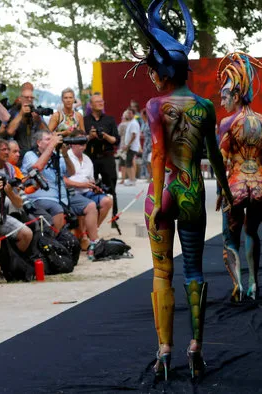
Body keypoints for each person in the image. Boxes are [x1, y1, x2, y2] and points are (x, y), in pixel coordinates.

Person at [123, 0, 233, 380]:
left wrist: (154, 202)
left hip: (163, 191)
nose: (152, 79)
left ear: (162, 73)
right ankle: (196, 348)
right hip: (190, 192)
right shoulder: (204, 106)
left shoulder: (156, 105)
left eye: (153, 72)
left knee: (161, 272)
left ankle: (164, 350)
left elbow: (156, 152)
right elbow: (214, 155)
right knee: (194, 270)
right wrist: (225, 188)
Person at [217, 52, 262, 302]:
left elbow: (221, 162)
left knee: (230, 237)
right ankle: (255, 283)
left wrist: (220, 191)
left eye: (224, 96)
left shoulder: (227, 122)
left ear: (236, 95)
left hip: (234, 188)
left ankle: (239, 286)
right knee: (253, 233)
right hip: (258, 188)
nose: (222, 101)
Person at [83, 93, 120, 226]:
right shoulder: (85, 120)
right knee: (90, 186)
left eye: (102, 101)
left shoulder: (109, 120)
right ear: (91, 105)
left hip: (107, 157)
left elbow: (116, 140)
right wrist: (90, 136)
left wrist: (105, 135)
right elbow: (81, 140)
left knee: (111, 187)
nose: (100, 103)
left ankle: (114, 218)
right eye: (97, 102)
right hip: (91, 158)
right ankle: (94, 214)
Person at [64, 130, 113, 227]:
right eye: (79, 141)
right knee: (89, 205)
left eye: (84, 141)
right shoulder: (65, 156)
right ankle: (90, 234)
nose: (82, 144)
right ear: (72, 143)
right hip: (72, 193)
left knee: (107, 200)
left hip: (87, 192)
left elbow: (91, 180)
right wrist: (83, 185)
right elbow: (63, 180)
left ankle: (94, 229)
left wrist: (94, 187)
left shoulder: (87, 159)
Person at [5, 86, 48, 156]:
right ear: (20, 99)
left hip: (35, 153)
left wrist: (38, 120)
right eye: (26, 97)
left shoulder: (35, 112)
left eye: (31, 98)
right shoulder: (14, 112)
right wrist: (21, 114)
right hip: (18, 153)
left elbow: (47, 133)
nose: (29, 99)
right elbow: (10, 132)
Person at [120, 108, 140, 186]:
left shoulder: (134, 123)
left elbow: (134, 135)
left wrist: (127, 145)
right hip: (131, 146)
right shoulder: (131, 123)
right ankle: (131, 179)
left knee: (128, 163)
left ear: (134, 114)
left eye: (130, 113)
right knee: (129, 163)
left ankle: (132, 179)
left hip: (131, 147)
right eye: (128, 113)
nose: (128, 115)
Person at [140, 108, 153, 180]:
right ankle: (147, 176)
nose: (140, 115)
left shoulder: (150, 123)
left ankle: (150, 176)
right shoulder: (145, 123)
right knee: (145, 160)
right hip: (146, 143)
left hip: (150, 144)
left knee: (149, 161)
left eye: (142, 114)